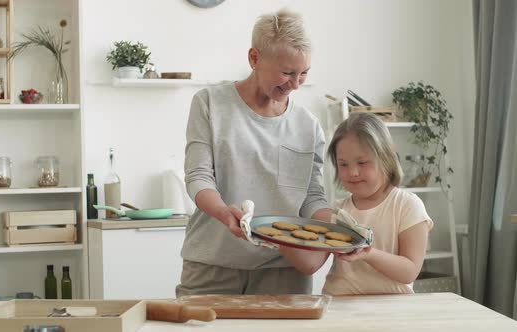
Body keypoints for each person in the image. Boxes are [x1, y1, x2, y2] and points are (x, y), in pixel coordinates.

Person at [176, 8, 332, 297]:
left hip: (283, 270)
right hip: (212, 264)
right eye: (287, 72)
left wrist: (339, 229)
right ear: (254, 58)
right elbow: (198, 178)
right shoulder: (210, 103)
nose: (296, 84)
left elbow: (311, 197)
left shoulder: (307, 125)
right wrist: (224, 213)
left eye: (304, 73)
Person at [281, 112, 433, 295]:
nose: (352, 172)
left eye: (362, 162)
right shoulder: (339, 210)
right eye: (343, 164)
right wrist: (277, 240)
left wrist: (369, 253)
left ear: (386, 158)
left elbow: (409, 271)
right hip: (339, 306)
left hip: (392, 312)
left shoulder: (407, 205)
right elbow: (311, 264)